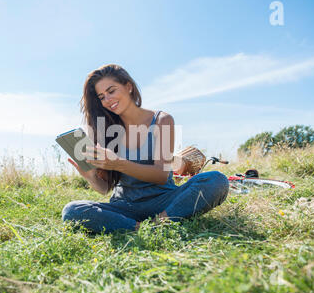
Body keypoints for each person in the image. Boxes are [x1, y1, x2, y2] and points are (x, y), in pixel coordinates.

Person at [62, 64, 229, 233]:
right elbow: (104, 189)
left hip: (165, 200)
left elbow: (161, 176)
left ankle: (161, 221)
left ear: (128, 86)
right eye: (102, 96)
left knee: (216, 180)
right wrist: (91, 177)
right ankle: (140, 228)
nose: (107, 100)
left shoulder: (161, 120)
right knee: (71, 210)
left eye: (111, 91)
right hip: (124, 206)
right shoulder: (106, 131)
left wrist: (117, 163)